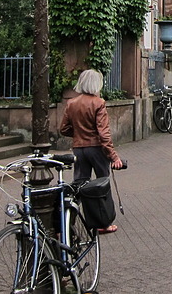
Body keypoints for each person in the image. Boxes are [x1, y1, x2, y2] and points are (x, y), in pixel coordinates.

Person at [59, 69, 123, 234]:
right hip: (96, 149)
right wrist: (113, 156)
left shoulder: (72, 103)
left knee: (79, 185)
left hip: (79, 149)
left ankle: (67, 222)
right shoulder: (98, 103)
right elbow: (104, 134)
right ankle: (103, 222)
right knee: (102, 184)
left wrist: (79, 135)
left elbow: (63, 128)